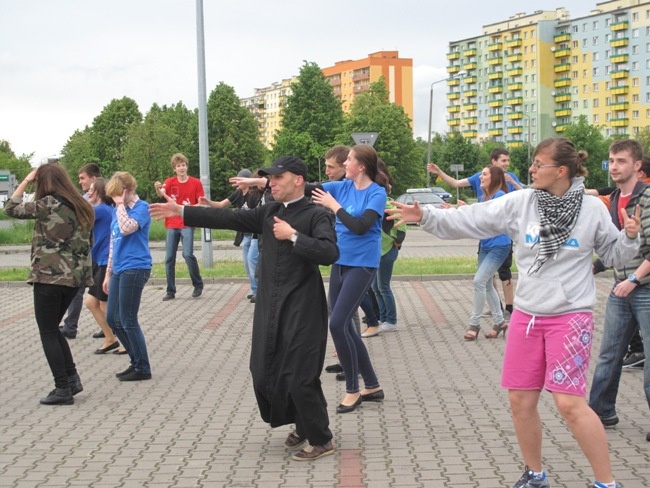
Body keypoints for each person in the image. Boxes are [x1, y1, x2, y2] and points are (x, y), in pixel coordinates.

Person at [387, 137, 641, 488]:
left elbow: (614, 255)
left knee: (569, 404)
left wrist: (629, 237)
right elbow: (471, 218)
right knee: (520, 400)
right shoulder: (521, 202)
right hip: (526, 315)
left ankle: (606, 482)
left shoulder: (591, 208)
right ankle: (535, 474)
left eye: (539, 164)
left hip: (570, 316)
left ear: (562, 170)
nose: (532, 170)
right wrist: (426, 216)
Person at [150, 156, 339, 461]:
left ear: (298, 180)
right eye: (270, 178)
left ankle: (321, 438)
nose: (272, 183)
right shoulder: (270, 211)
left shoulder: (317, 215)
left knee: (299, 374)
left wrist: (292, 235)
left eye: (278, 178)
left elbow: (329, 252)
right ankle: (303, 423)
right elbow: (231, 219)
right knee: (266, 368)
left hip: (303, 305)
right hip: (271, 303)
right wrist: (182, 211)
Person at [4, 163, 94, 405]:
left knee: (47, 332)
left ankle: (62, 388)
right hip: (75, 279)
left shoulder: (48, 204)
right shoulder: (83, 205)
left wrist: (25, 180)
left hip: (49, 277)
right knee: (53, 329)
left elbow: (10, 208)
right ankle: (72, 379)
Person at [309, 144, 387, 414]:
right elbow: (306, 186)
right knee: (347, 327)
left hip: (363, 265)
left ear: (361, 166)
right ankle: (373, 386)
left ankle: (353, 389)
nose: (345, 164)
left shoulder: (376, 193)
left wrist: (335, 207)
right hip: (339, 263)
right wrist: (264, 180)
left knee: (338, 323)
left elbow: (361, 225)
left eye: (350, 160)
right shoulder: (342, 186)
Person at [588, 140, 650, 439]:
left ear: (637, 166)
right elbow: (617, 248)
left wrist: (634, 280)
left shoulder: (647, 198)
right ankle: (600, 412)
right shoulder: (614, 198)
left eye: (621, 161)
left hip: (644, 289)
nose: (614, 166)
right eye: (611, 160)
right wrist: (595, 267)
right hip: (621, 287)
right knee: (609, 353)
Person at [428, 148, 520, 318]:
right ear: (493, 162)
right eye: (503, 161)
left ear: (492, 176)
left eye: (508, 161)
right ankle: (498, 316)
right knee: (485, 281)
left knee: (488, 278)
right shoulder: (483, 188)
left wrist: (513, 184)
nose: (507, 164)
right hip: (485, 242)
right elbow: (458, 186)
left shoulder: (503, 190)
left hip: (500, 243)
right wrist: (460, 209)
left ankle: (500, 312)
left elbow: (496, 212)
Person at [103, 172, 153, 382]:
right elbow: (114, 242)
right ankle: (135, 361)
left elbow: (126, 229)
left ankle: (142, 367)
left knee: (128, 319)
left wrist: (122, 205)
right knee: (112, 318)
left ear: (126, 191)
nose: (114, 200)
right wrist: (108, 272)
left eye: (116, 195)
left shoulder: (142, 208)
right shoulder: (117, 210)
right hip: (119, 267)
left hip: (136, 266)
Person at [459, 165, 512, 340]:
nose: (480, 177)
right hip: (485, 246)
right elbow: (477, 221)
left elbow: (488, 219)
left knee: (479, 281)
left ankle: (474, 323)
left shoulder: (500, 197)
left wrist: (467, 209)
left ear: (495, 178)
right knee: (487, 284)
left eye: (484, 174)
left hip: (499, 246)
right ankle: (499, 321)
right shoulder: (483, 198)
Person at [200, 168, 262, 303]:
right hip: (244, 234)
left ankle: (259, 291)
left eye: (240, 179)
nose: (238, 182)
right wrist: (208, 202)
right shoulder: (238, 193)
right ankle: (254, 290)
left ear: (247, 180)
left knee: (252, 259)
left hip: (255, 234)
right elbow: (222, 204)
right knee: (247, 263)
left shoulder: (254, 194)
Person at [359, 159, 406, 337]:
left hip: (387, 251)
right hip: (378, 250)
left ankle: (391, 320)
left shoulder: (387, 204)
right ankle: (382, 318)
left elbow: (401, 226)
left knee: (383, 286)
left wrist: (397, 241)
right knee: (376, 287)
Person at [59, 162, 102, 339]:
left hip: (96, 252)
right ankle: (107, 326)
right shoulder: (88, 198)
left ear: (94, 179)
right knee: (93, 293)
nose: (80, 182)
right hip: (91, 251)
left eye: (83, 178)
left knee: (80, 290)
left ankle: (71, 327)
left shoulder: (102, 201)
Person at [154, 153, 204, 301]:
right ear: (174, 169)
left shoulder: (196, 183)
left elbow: (201, 203)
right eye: (178, 166)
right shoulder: (170, 182)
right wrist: (157, 187)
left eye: (183, 165)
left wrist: (184, 209)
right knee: (169, 257)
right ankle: (170, 290)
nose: (181, 168)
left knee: (187, 254)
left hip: (187, 222)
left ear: (187, 166)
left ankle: (198, 284)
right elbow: (161, 193)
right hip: (171, 224)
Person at [84, 177, 120, 354]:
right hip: (99, 260)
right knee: (92, 302)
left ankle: (125, 340)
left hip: (106, 261)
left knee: (105, 306)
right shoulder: (103, 209)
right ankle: (110, 337)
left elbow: (81, 212)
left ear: (99, 192)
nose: (88, 193)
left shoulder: (101, 210)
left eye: (91, 190)